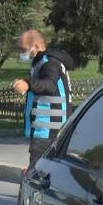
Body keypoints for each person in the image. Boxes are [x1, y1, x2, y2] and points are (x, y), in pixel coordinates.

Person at [12, 30, 73, 166]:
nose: (21, 54)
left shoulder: (49, 63)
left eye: (23, 49)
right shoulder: (46, 62)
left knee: (37, 175)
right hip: (51, 131)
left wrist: (28, 84)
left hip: (47, 132)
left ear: (36, 46)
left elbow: (49, 85)